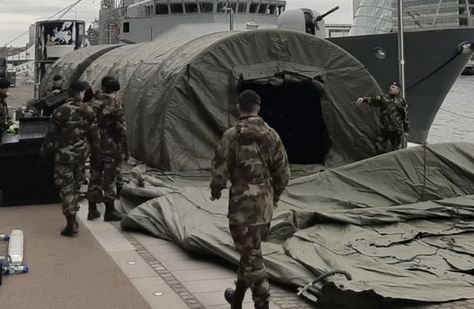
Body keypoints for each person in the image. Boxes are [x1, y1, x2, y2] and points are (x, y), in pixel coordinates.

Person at [210, 90, 290, 309]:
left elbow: (220, 170)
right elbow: (283, 173)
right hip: (264, 207)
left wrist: (215, 190)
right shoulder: (272, 134)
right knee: (250, 249)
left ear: (239, 107)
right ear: (258, 108)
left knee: (251, 254)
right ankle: (237, 297)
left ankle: (261, 302)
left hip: (241, 207)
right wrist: (274, 197)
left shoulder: (231, 135)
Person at [41, 81, 100, 237]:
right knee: (76, 185)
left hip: (64, 156)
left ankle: (71, 220)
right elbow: (94, 135)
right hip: (81, 156)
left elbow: (51, 135)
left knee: (65, 187)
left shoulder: (60, 111)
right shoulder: (88, 110)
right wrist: (95, 152)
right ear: (81, 93)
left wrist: (45, 151)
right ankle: (73, 215)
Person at [86, 79, 128, 222]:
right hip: (110, 147)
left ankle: (92, 210)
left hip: (95, 146)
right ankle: (110, 211)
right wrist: (124, 147)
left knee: (95, 176)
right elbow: (122, 130)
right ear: (116, 91)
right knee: (109, 178)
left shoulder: (93, 104)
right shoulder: (115, 106)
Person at [356, 81, 409, 152]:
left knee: (395, 149)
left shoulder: (401, 101)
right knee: (379, 147)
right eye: (390, 87)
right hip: (385, 129)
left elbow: (405, 116)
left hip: (396, 130)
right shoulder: (383, 98)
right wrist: (363, 99)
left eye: (393, 87)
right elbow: (373, 99)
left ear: (398, 90)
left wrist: (406, 130)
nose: (390, 88)